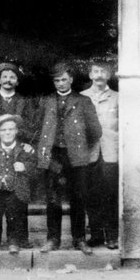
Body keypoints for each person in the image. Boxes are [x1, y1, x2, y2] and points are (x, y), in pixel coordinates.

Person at [36, 61, 102, 254]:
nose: (61, 84)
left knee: (78, 198)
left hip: (76, 156)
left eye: (64, 79)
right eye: (57, 80)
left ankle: (79, 239)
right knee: (53, 198)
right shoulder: (46, 101)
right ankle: (53, 239)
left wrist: (79, 145)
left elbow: (95, 131)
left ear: (71, 79)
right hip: (53, 154)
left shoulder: (83, 101)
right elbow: (38, 127)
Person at [0, 113, 36, 254]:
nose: (7, 132)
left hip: (15, 189)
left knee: (15, 213)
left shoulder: (25, 149)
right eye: (3, 130)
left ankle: (14, 242)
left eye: (11, 129)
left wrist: (25, 167)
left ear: (16, 131)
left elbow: (35, 168)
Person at [82, 58, 119, 250]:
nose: (99, 75)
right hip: (89, 153)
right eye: (95, 71)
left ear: (109, 75)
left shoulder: (117, 97)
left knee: (111, 195)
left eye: (103, 72)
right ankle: (96, 234)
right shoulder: (81, 97)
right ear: (90, 75)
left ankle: (112, 236)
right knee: (91, 195)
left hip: (111, 153)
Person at [0, 61, 36, 141]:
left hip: (17, 145)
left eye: (12, 77)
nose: (8, 80)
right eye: (5, 77)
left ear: (17, 82)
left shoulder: (24, 101)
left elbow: (29, 126)